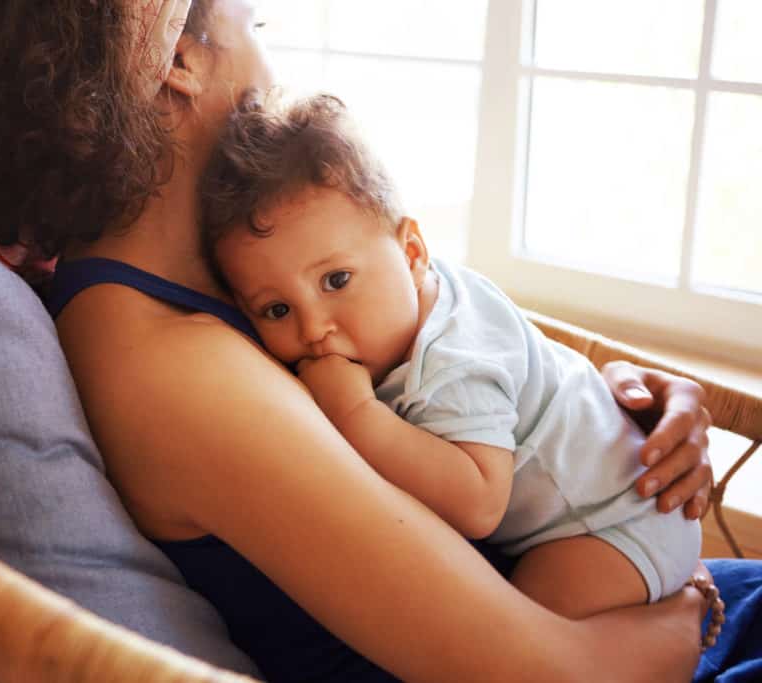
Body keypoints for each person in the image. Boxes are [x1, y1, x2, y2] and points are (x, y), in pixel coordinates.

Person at [0, 1, 761, 681]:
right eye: (259, 27)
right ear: (177, 57)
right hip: (614, 633)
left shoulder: (220, 280)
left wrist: (616, 396)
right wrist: (698, 603)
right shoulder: (176, 369)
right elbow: (540, 668)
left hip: (584, 576)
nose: (270, 63)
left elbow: (459, 342)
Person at [199, 90, 703, 621]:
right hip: (607, 500)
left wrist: (355, 414)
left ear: (412, 253)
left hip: (617, 522)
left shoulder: (451, 364)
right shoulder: (409, 305)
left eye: (337, 280)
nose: (314, 328)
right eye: (276, 309)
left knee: (520, 631)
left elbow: (480, 502)